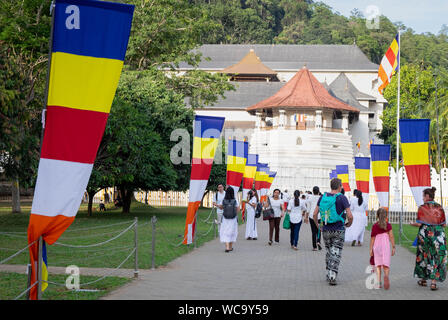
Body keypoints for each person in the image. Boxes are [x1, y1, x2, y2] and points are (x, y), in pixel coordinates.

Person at [313, 178, 353, 285]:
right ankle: (332, 276)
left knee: (329, 251)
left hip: (326, 229)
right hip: (339, 229)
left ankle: (328, 272)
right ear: (339, 186)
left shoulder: (323, 197)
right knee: (336, 253)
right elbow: (349, 215)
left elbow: (314, 214)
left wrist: (318, 225)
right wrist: (349, 223)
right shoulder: (342, 198)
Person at [410, 187, 447, 291]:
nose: (422, 198)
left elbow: (419, 223)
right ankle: (433, 283)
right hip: (439, 236)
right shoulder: (439, 207)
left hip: (425, 236)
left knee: (424, 256)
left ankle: (423, 280)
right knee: (437, 257)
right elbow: (444, 225)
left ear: (427, 196)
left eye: (423, 196)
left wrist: (412, 223)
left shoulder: (422, 208)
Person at [370, 208, 395, 290]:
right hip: (385, 247)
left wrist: (371, 250)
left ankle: (379, 283)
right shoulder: (388, 225)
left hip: (377, 246)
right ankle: (386, 276)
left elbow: (372, 239)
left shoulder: (374, 226)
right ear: (386, 216)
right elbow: (391, 236)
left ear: (377, 215)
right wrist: (393, 247)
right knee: (386, 264)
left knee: (378, 265)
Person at [220, 187, 240, 252]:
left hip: (225, 218)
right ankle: (230, 247)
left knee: (225, 231)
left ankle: (227, 247)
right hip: (233, 218)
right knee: (232, 232)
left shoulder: (224, 200)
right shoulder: (235, 200)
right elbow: (238, 209)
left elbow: (222, 207)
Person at [306, 186, 322, 251]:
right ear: (318, 191)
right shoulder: (321, 198)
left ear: (312, 191)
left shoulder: (309, 198)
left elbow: (308, 209)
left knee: (313, 231)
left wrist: (306, 217)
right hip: (319, 216)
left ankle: (314, 247)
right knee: (319, 229)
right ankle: (318, 241)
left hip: (311, 216)